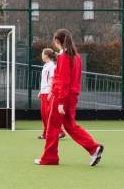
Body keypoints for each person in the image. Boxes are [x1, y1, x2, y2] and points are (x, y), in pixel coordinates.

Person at [35, 29, 104, 166]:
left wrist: (60, 101)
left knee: (52, 127)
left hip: (62, 97)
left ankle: (49, 158)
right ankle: (94, 148)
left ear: (56, 41)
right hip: (72, 96)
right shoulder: (76, 56)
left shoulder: (64, 57)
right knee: (70, 126)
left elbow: (63, 80)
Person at [38, 48, 65, 140]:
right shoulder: (46, 65)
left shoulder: (52, 66)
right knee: (44, 114)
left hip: (48, 93)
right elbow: (45, 80)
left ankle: (60, 131)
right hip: (43, 92)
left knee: (49, 114)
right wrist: (40, 91)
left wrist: (50, 92)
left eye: (42, 53)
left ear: (46, 55)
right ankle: (46, 133)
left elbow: (53, 80)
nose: (41, 55)